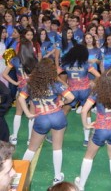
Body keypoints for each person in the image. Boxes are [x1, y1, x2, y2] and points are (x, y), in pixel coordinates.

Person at [74, 66, 111, 191]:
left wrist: (86, 125)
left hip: (100, 128)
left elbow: (84, 110)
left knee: (89, 156)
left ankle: (81, 185)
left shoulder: (97, 92)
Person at [19, 58, 74, 186]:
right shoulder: (55, 83)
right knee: (57, 147)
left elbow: (21, 99)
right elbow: (71, 97)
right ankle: (57, 177)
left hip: (41, 118)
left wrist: (27, 113)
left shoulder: (31, 83)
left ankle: (19, 174)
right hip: (57, 116)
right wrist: (62, 102)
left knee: (32, 148)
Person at [2, 39, 38, 145]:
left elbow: (4, 74)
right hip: (33, 89)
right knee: (32, 114)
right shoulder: (34, 60)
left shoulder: (15, 60)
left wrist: (16, 82)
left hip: (21, 89)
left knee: (18, 113)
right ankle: (30, 139)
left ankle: (15, 137)